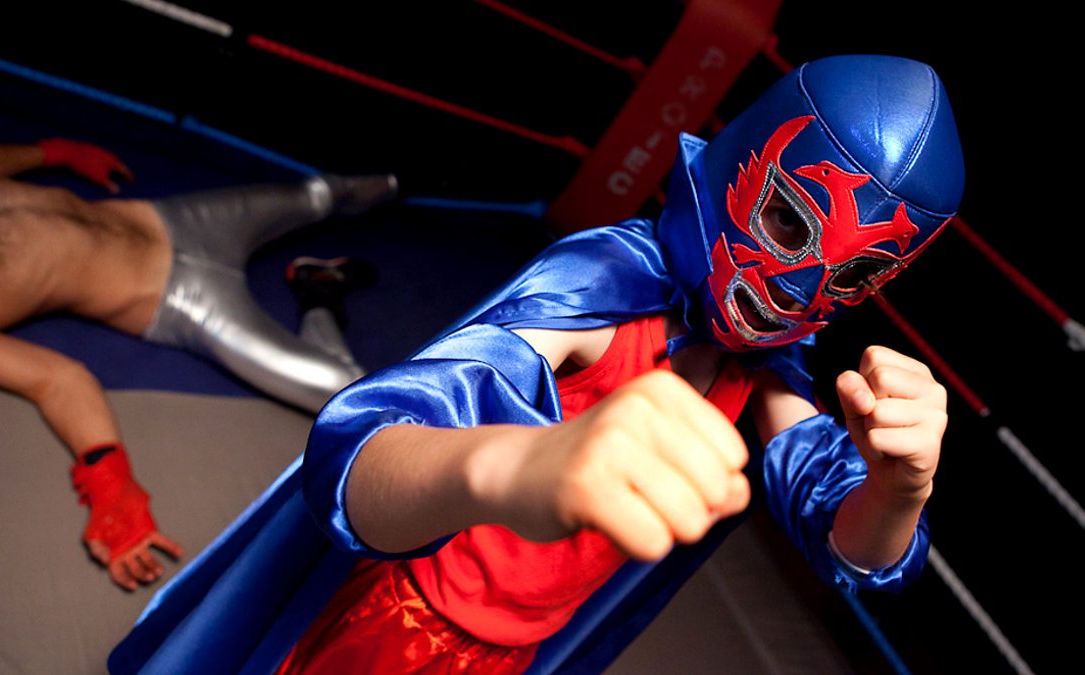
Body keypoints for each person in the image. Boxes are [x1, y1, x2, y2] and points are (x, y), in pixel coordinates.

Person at [110, 54, 962, 673]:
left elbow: (845, 540)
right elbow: (359, 451)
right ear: (746, 164)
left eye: (853, 274)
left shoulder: (771, 364)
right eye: (788, 222)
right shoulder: (608, 284)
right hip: (405, 615)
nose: (800, 287)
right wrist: (513, 462)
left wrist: (898, 489)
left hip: (519, 648)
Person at [0, 139, 396, 591]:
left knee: (320, 193)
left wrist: (52, 153)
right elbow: (57, 380)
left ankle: (415, 180)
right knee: (353, 395)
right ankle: (318, 294)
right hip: (178, 295)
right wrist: (111, 485)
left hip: (167, 218)